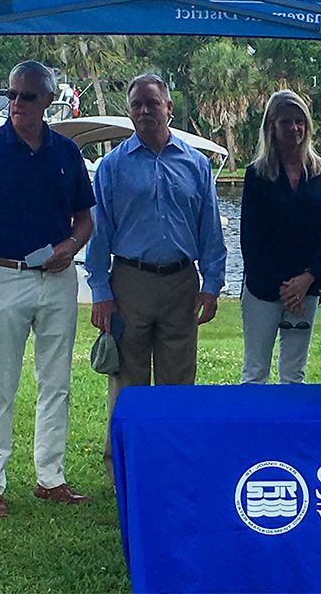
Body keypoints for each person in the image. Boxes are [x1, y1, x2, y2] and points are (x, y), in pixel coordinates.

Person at [0, 61, 95, 518]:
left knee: (55, 383)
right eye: (11, 95)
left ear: (48, 102)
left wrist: (72, 245)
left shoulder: (65, 152)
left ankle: (50, 477)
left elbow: (86, 218)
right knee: (0, 386)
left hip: (58, 280)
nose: (16, 104)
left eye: (26, 97)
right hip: (6, 277)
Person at [86, 73, 226, 481]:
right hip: (129, 282)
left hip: (182, 281)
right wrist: (100, 292)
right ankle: (124, 470)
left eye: (152, 103)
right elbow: (100, 235)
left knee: (178, 380)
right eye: (137, 105)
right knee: (127, 383)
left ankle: (174, 466)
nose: (145, 111)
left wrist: (211, 285)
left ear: (169, 107)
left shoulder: (196, 165)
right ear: (129, 112)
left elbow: (210, 233)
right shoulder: (111, 168)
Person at [240, 90, 321, 384]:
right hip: (263, 288)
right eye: (286, 122)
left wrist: (305, 279)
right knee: (255, 372)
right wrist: (285, 288)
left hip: (307, 287)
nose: (294, 128)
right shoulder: (256, 174)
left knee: (294, 374)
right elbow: (251, 240)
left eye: (299, 121)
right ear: (271, 126)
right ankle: (252, 430)